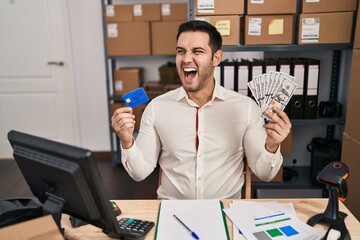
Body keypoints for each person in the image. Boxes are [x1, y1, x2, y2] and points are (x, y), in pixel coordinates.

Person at [111, 20, 291, 199]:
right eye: (181, 51)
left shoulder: (246, 108)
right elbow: (139, 173)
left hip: (225, 211)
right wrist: (127, 141)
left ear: (216, 58)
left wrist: (272, 146)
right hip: (172, 210)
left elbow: (265, 174)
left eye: (197, 51)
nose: (186, 59)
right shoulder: (157, 108)